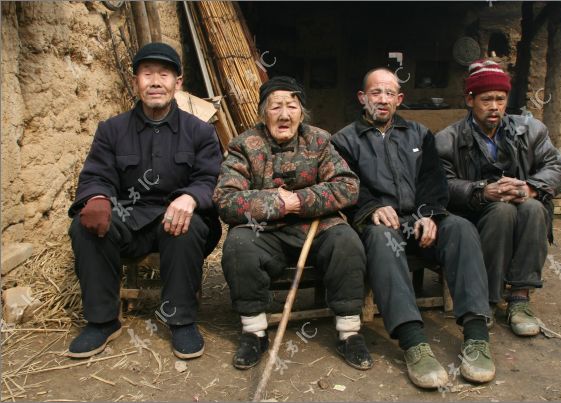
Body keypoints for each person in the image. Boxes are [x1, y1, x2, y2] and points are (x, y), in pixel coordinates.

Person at [332, 68, 495, 388]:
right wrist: (372, 207)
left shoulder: (420, 134)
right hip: (378, 223)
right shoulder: (343, 140)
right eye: (376, 93)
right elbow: (345, 184)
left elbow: (434, 180)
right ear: (362, 98)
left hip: (419, 220)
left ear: (399, 99)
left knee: (461, 228)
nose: (382, 99)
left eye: (389, 93)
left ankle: (476, 336)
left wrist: (428, 213)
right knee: (382, 239)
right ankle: (414, 342)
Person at [67, 42, 222, 360]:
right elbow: (96, 175)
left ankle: (181, 320)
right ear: (136, 80)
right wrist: (97, 197)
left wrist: (191, 197)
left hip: (175, 221)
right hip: (129, 221)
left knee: (188, 225)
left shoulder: (200, 132)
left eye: (164, 75)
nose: (155, 82)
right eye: (147, 74)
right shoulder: (111, 130)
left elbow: (211, 179)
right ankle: (102, 321)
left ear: (177, 83)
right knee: (84, 226)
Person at [213, 76, 373, 371]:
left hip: (315, 227)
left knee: (347, 242)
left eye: (292, 106)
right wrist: (277, 203)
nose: (284, 115)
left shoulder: (319, 141)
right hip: (264, 231)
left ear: (302, 112)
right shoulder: (244, 145)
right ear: (263, 113)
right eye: (276, 107)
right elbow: (226, 200)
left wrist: (301, 200)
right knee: (238, 246)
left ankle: (349, 332)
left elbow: (348, 186)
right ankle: (254, 332)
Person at [435, 59, 561, 336]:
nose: (494, 106)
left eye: (500, 99)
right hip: (475, 212)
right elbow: (442, 184)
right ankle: (486, 299)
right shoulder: (448, 139)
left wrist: (530, 188)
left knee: (534, 209)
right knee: (501, 211)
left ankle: (519, 298)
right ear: (470, 100)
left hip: (523, 206)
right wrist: (481, 190)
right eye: (486, 99)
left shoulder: (530, 130)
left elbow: (556, 166)